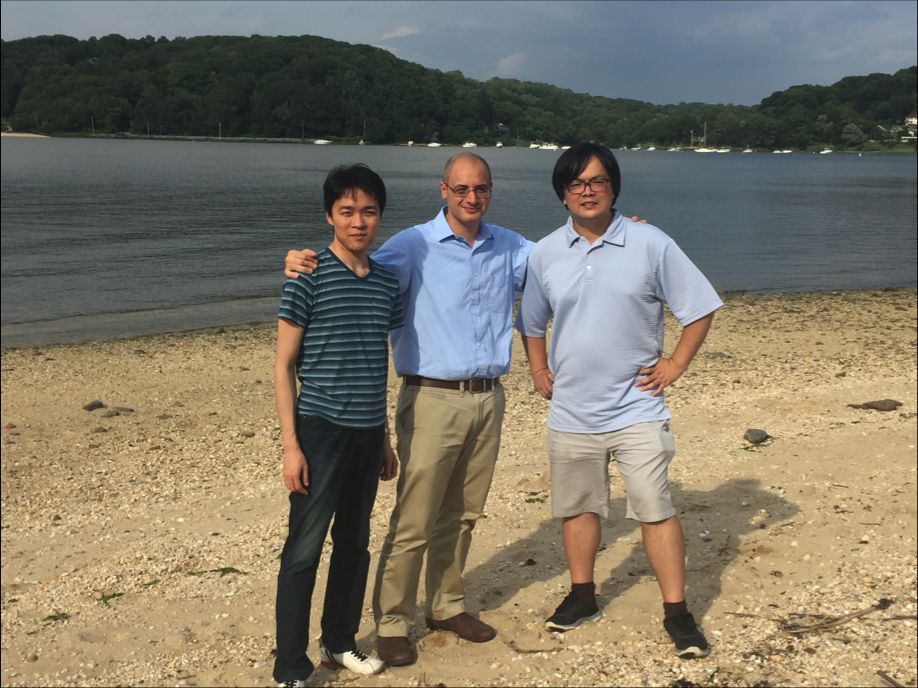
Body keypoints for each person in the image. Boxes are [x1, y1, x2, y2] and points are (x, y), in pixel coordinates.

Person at [284, 152, 530, 667]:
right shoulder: (411, 245)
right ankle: (392, 621)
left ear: (490, 191)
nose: (471, 197)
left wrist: (617, 229)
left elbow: (564, 261)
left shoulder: (509, 245)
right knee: (413, 519)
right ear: (443, 189)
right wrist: (296, 261)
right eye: (461, 188)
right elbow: (352, 267)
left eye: (480, 189)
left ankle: (447, 605)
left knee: (462, 514)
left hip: (489, 396)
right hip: (431, 395)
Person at [516, 142, 722, 659]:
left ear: (613, 187)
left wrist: (675, 364)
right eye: (576, 183)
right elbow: (531, 320)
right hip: (572, 410)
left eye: (598, 181)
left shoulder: (649, 241)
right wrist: (537, 367)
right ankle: (583, 595)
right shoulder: (545, 252)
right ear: (562, 193)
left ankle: (677, 611)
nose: (587, 190)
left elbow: (698, 307)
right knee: (579, 508)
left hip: (637, 407)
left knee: (654, 509)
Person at [273, 164, 403, 687]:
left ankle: (339, 640)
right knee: (303, 549)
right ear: (330, 215)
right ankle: (289, 664)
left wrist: (386, 438)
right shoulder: (307, 276)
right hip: (320, 430)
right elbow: (283, 365)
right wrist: (291, 446)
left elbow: (377, 362)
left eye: (368, 211)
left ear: (379, 217)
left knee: (354, 542)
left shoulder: (387, 283)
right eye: (347, 211)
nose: (358, 221)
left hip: (367, 432)